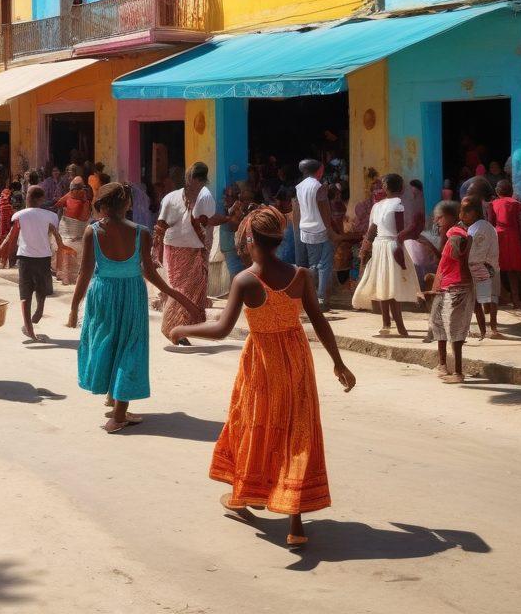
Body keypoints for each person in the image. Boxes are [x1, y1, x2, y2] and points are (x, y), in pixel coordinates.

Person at [169, 207, 356, 547]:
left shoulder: (245, 280)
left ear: (251, 240)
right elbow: (319, 320)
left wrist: (182, 326)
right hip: (297, 363)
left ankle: (245, 493)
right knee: (297, 433)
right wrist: (338, 363)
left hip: (263, 365)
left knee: (253, 426)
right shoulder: (300, 275)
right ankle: (295, 524)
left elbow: (221, 328)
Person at [68, 183, 196, 433]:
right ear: (127, 205)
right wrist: (175, 294)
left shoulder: (92, 232)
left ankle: (116, 402)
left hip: (102, 295)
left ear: (102, 207)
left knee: (106, 343)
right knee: (130, 347)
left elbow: (83, 274)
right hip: (131, 295)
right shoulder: (141, 232)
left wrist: (74, 307)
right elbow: (150, 273)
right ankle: (117, 416)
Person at [153, 161, 219, 342]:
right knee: (178, 290)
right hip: (175, 250)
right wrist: (155, 251)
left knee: (192, 292)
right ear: (190, 179)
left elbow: (206, 223)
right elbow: (160, 227)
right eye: (197, 181)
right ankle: (171, 327)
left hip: (195, 251)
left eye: (201, 182)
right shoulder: (171, 198)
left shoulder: (204, 198)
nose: (199, 185)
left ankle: (181, 329)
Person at [0, 185, 71, 342]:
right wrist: (61, 247)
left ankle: (29, 329)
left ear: (27, 198)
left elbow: (12, 236)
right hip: (44, 257)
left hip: (25, 258)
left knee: (25, 293)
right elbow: (54, 233)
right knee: (42, 287)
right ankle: (39, 309)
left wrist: (5, 253)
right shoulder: (51, 216)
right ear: (41, 199)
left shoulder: (19, 215)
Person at [352, 174, 418, 336]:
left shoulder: (378, 206)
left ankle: (387, 323)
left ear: (385, 188)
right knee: (391, 286)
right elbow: (400, 230)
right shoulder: (398, 204)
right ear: (401, 188)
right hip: (392, 246)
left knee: (385, 284)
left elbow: (372, 230)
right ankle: (397, 326)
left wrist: (365, 247)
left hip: (381, 246)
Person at [426, 200, 475, 384]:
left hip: (455, 287)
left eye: (440, 218)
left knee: (454, 330)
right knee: (439, 325)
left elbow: (458, 253)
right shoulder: (453, 234)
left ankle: (458, 372)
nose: (437, 222)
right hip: (447, 286)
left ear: (451, 218)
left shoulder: (456, 234)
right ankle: (442, 365)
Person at [293, 158, 339, 311]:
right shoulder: (319, 187)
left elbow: (299, 210)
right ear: (319, 171)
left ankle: (310, 297)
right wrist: (330, 230)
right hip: (320, 229)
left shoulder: (299, 187)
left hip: (305, 228)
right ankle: (320, 299)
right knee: (324, 265)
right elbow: (324, 209)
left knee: (313, 264)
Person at [461, 192, 502, 339]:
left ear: (474, 212)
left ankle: (486, 330)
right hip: (491, 267)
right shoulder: (485, 226)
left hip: (479, 269)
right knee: (490, 298)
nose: (462, 214)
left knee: (480, 301)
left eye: (465, 211)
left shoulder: (476, 229)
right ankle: (492, 328)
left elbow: (474, 253)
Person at [491, 180, 521, 310]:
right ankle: (517, 300)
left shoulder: (493, 204)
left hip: (500, 238)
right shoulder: (517, 204)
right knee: (520, 271)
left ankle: (515, 301)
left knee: (509, 271)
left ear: (497, 192)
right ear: (511, 192)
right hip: (514, 238)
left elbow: (492, 223)